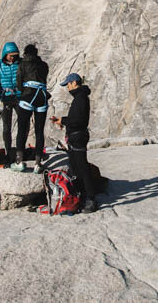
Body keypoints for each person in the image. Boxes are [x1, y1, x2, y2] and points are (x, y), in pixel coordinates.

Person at [53, 73, 98, 213]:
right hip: (75, 136)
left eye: (68, 84)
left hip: (78, 137)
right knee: (75, 167)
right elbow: (75, 118)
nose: (67, 87)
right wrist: (63, 120)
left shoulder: (80, 98)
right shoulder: (80, 97)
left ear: (74, 83)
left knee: (82, 168)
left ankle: (91, 199)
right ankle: (82, 195)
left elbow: (78, 120)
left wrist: (63, 121)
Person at [12, 43, 49, 173]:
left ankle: (19, 161)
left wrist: (22, 94)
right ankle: (38, 163)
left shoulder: (22, 65)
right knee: (39, 131)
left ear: (25, 54)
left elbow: (19, 82)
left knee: (22, 129)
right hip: (42, 96)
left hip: (28, 96)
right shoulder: (44, 65)